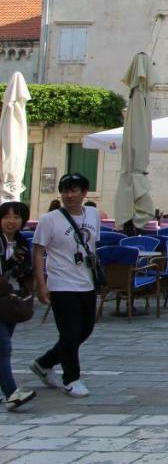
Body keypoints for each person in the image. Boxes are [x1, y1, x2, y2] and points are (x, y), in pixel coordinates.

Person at [31, 173, 101, 398]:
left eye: (74, 190)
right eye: (66, 191)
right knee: (70, 333)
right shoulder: (49, 219)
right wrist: (42, 285)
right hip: (61, 283)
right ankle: (71, 379)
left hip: (87, 282)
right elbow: (39, 251)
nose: (70, 195)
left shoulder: (93, 214)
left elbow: (92, 245)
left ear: (84, 193)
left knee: (85, 329)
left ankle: (44, 363)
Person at [0, 201, 36, 411]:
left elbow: (26, 272)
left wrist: (27, 293)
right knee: (3, 347)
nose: (11, 221)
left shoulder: (23, 244)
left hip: (11, 303)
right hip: (3, 297)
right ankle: (12, 394)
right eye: (6, 217)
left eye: (16, 217)